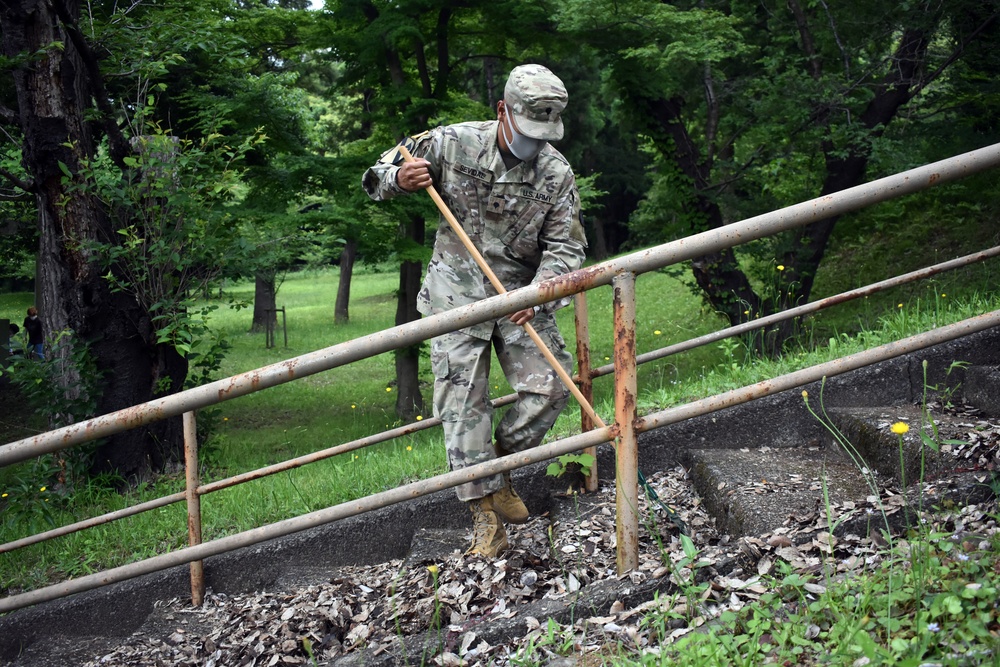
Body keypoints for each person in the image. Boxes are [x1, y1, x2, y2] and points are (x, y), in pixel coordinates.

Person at [362, 64, 587, 557]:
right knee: (462, 408)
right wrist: (400, 177)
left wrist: (544, 290)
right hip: (454, 297)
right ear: (502, 111)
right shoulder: (451, 143)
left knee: (550, 387)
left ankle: (496, 467)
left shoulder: (556, 173)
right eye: (529, 129)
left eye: (545, 132)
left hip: (519, 298)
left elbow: (567, 248)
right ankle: (485, 517)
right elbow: (376, 176)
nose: (536, 142)